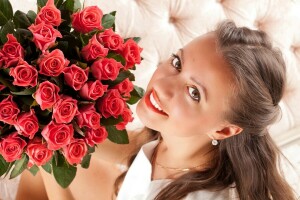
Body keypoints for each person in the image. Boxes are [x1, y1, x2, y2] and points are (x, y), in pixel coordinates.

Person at [16, 20, 299, 200]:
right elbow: (122, 147)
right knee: (47, 151)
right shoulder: (173, 142)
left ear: (223, 129)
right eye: (177, 63)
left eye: (193, 93)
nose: (163, 87)